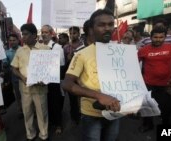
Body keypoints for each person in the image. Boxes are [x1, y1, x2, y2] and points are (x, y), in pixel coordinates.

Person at [62, 9, 120, 141]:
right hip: (91, 114)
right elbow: (67, 83)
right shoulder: (81, 54)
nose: (107, 28)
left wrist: (134, 103)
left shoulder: (122, 51)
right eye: (101, 25)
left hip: (116, 111)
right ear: (92, 29)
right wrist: (98, 95)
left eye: (111, 24)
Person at [11, 23, 50, 141]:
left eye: (26, 34)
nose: (23, 37)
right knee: (27, 113)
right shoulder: (20, 51)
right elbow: (14, 68)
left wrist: (46, 79)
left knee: (42, 113)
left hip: (40, 88)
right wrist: (22, 78)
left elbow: (51, 69)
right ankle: (30, 135)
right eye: (22, 34)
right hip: (25, 89)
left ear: (34, 35)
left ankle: (44, 135)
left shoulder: (46, 49)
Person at [137, 27, 171, 132]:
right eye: (155, 37)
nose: (158, 39)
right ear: (150, 37)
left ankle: (167, 132)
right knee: (147, 108)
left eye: (161, 37)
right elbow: (133, 62)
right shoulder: (143, 50)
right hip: (148, 84)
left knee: (168, 110)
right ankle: (147, 125)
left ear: (165, 37)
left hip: (166, 85)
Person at [41, 24, 65, 135]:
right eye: (42, 32)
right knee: (46, 103)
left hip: (54, 81)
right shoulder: (39, 47)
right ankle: (50, 122)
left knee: (55, 103)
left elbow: (61, 65)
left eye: (46, 32)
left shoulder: (57, 47)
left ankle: (58, 124)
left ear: (51, 34)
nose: (44, 34)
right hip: (42, 81)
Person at [63, 26, 84, 125]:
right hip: (71, 76)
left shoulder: (84, 46)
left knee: (82, 96)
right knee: (72, 97)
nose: (72, 35)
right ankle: (74, 115)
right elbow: (64, 63)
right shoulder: (66, 47)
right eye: (70, 33)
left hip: (82, 76)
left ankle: (82, 114)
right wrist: (68, 58)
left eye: (74, 33)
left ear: (79, 34)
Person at [4, 34, 23, 119]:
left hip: (25, 77)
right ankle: (20, 110)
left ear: (18, 40)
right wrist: (4, 64)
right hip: (15, 78)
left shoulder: (23, 50)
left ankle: (31, 111)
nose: (12, 42)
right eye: (10, 40)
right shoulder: (7, 52)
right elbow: (5, 65)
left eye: (14, 40)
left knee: (27, 95)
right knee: (18, 96)